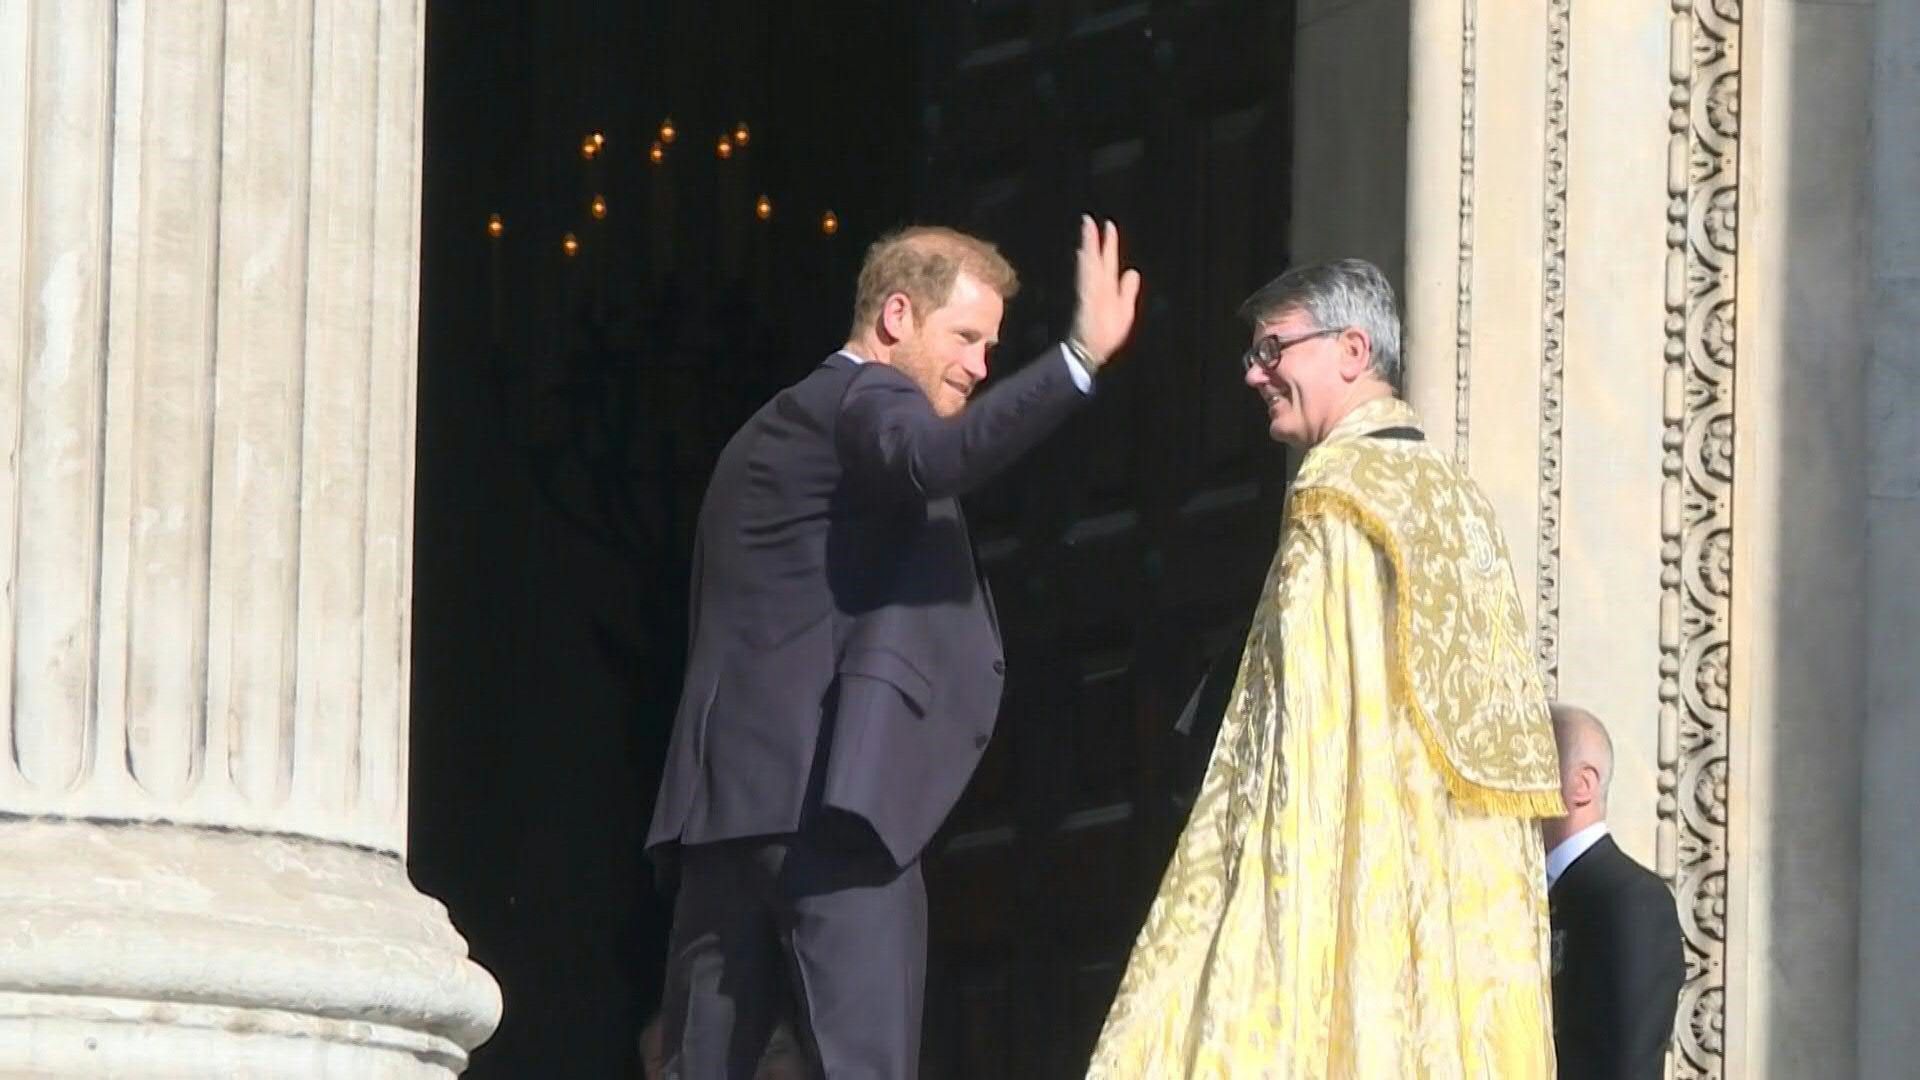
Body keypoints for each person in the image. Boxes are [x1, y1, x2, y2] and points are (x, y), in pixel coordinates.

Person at [647, 218, 1141, 1078]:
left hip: (724, 817)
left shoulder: (761, 435)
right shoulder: (866, 401)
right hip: (832, 817)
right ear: (896, 316)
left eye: (991, 345)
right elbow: (934, 459)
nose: (981, 365)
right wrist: (1077, 362)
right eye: (965, 337)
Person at [1087, 259, 1563, 1076]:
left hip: (1349, 854)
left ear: (1352, 349)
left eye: (1274, 349)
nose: (1253, 373)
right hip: (1452, 896)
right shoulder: (1453, 493)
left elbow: (1294, 730)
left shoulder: (1335, 490)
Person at [1544, 703, 1685, 1080]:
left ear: (1581, 785)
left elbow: (1628, 1064)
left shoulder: (1631, 899)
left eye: (1531, 765)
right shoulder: (1539, 898)